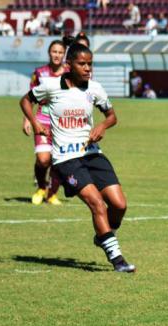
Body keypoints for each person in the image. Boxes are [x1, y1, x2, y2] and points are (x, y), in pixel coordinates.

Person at [19, 43, 135, 273]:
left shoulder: (95, 89)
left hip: (92, 154)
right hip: (65, 159)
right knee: (96, 204)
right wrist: (34, 123)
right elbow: (25, 100)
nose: (87, 68)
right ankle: (117, 259)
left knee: (120, 205)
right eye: (82, 63)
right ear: (69, 64)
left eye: (90, 63)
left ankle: (104, 235)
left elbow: (112, 116)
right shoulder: (51, 86)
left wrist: (102, 125)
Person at [24, 40, 67, 206]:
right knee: (43, 159)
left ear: (64, 54)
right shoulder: (40, 72)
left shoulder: (70, 73)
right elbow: (30, 98)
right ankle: (41, 187)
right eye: (54, 51)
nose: (57, 55)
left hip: (64, 124)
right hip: (42, 121)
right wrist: (27, 119)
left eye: (60, 52)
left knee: (58, 160)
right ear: (49, 53)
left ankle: (52, 194)